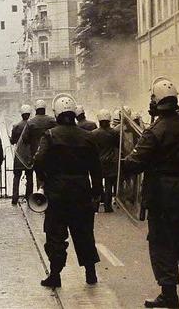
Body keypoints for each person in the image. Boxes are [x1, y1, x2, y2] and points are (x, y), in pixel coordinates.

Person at [122, 78, 179, 308]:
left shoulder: (155, 131)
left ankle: (169, 295)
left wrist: (125, 161)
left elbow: (137, 161)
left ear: (157, 101)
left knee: (162, 242)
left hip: (162, 193)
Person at [33, 94, 102, 289]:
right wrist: (97, 192)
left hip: (57, 192)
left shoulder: (51, 135)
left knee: (55, 234)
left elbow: (38, 160)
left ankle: (55, 275)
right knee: (85, 233)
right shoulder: (87, 136)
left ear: (56, 113)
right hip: (81, 190)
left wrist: (45, 178)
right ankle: (90, 273)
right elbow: (96, 168)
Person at [21, 99, 56, 187]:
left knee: (39, 176)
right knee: (50, 176)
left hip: (36, 153)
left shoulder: (31, 122)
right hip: (51, 153)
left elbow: (25, 138)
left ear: (36, 109)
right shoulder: (52, 120)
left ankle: (40, 197)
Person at [91, 110, 119, 213]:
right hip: (111, 161)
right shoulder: (114, 133)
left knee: (97, 184)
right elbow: (117, 146)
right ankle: (108, 207)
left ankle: (95, 206)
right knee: (108, 185)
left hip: (98, 161)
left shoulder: (94, 133)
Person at [10, 104, 33, 205]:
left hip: (19, 155)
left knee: (17, 177)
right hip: (29, 155)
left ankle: (15, 198)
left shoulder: (16, 126)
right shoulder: (32, 125)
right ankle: (29, 197)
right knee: (29, 176)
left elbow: (12, 141)